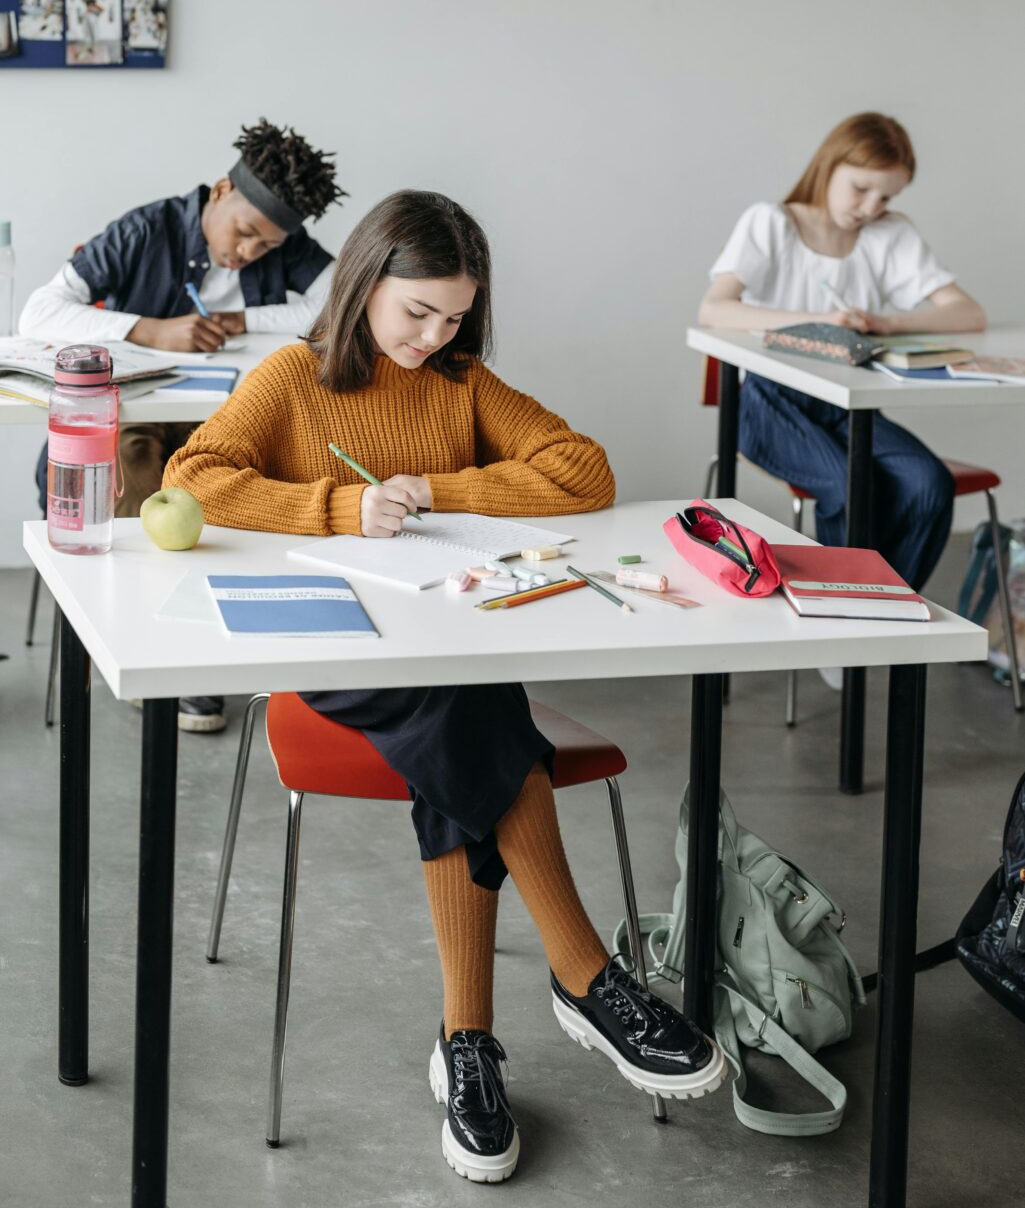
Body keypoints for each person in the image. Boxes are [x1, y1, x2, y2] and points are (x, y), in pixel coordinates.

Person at [163, 190, 726, 1182]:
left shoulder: (460, 381)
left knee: (460, 706)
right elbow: (197, 474)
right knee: (472, 706)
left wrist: (431, 490)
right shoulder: (294, 376)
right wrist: (338, 507)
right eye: (416, 312)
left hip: (436, 659)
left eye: (456, 317)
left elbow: (580, 471)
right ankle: (583, 975)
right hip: (334, 658)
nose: (435, 336)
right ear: (363, 286)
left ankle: (468, 1042)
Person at [20, 119, 345, 732]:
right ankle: (157, 652)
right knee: (140, 473)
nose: (248, 252)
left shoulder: (284, 242)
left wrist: (243, 319)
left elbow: (343, 304)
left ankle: (221, 645)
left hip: (215, 420)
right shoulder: (147, 228)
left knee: (241, 476)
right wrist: (146, 329)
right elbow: (37, 313)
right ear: (221, 190)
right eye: (245, 233)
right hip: (132, 419)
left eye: (266, 248)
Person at [699, 111, 986, 613]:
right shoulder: (773, 222)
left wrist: (884, 323)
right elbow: (714, 308)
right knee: (849, 483)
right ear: (829, 166)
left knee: (929, 482)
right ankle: (840, 615)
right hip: (769, 402)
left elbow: (969, 313)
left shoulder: (890, 234)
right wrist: (820, 320)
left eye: (887, 197)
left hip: (847, 406)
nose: (871, 207)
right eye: (860, 189)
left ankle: (877, 610)